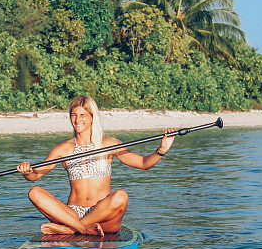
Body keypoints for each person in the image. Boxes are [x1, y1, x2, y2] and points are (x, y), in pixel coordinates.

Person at [17, 96, 176, 237]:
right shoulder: (63, 149)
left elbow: (143, 164)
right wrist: (27, 171)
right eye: (74, 115)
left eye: (82, 115)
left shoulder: (109, 144)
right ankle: (81, 228)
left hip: (103, 216)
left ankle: (71, 230)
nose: (77, 120)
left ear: (92, 117)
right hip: (72, 214)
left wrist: (161, 150)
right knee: (35, 192)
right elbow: (35, 176)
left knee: (121, 196)